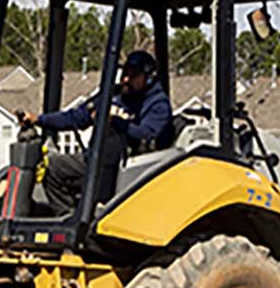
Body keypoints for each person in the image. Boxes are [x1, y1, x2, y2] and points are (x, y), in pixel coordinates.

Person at [19, 50, 173, 209]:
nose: (125, 79)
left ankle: (84, 216)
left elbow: (147, 136)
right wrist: (39, 120)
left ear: (148, 78)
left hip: (129, 170)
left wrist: (115, 121)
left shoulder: (157, 105)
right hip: (96, 160)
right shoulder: (113, 95)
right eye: (125, 73)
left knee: (59, 168)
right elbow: (77, 117)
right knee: (50, 167)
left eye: (133, 75)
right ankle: (68, 215)